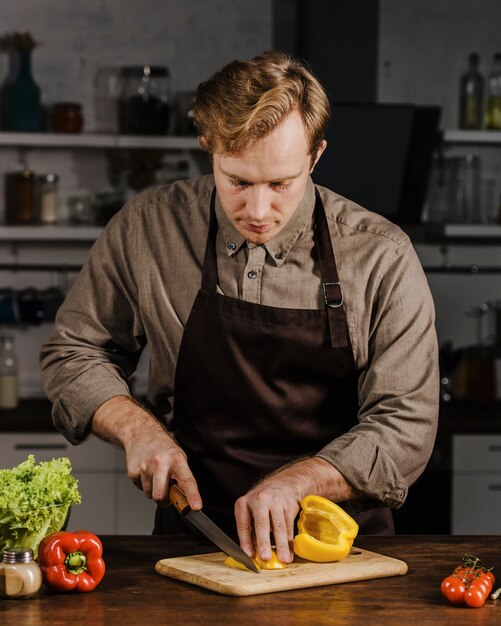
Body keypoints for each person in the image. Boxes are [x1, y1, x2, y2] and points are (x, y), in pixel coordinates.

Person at [40, 51, 439, 564]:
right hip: (195, 543)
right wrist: (135, 428)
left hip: (343, 554)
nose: (257, 211)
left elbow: (407, 423)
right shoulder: (148, 229)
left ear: (315, 157)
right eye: (238, 181)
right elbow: (74, 351)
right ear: (209, 148)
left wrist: (299, 483)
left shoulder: (381, 255)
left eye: (280, 184)